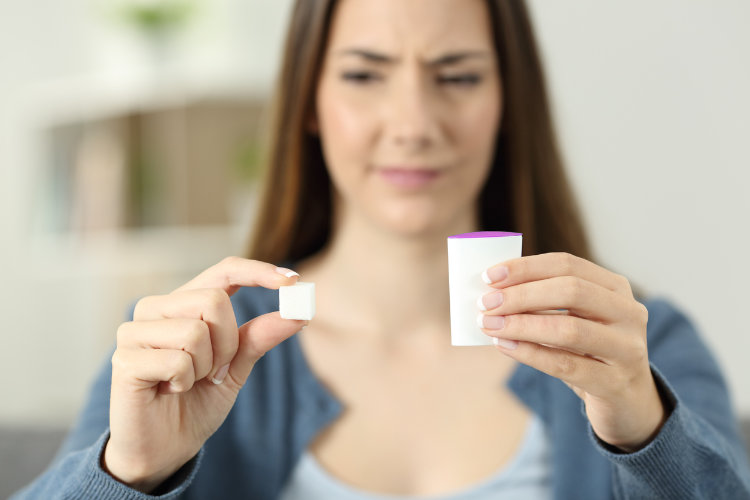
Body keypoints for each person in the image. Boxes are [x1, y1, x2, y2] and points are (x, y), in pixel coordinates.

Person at [13, 0, 750, 498]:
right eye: (364, 74)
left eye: (456, 76)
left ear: (507, 103)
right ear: (309, 101)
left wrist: (648, 434)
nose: (412, 122)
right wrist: (132, 472)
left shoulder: (638, 348)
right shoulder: (197, 347)